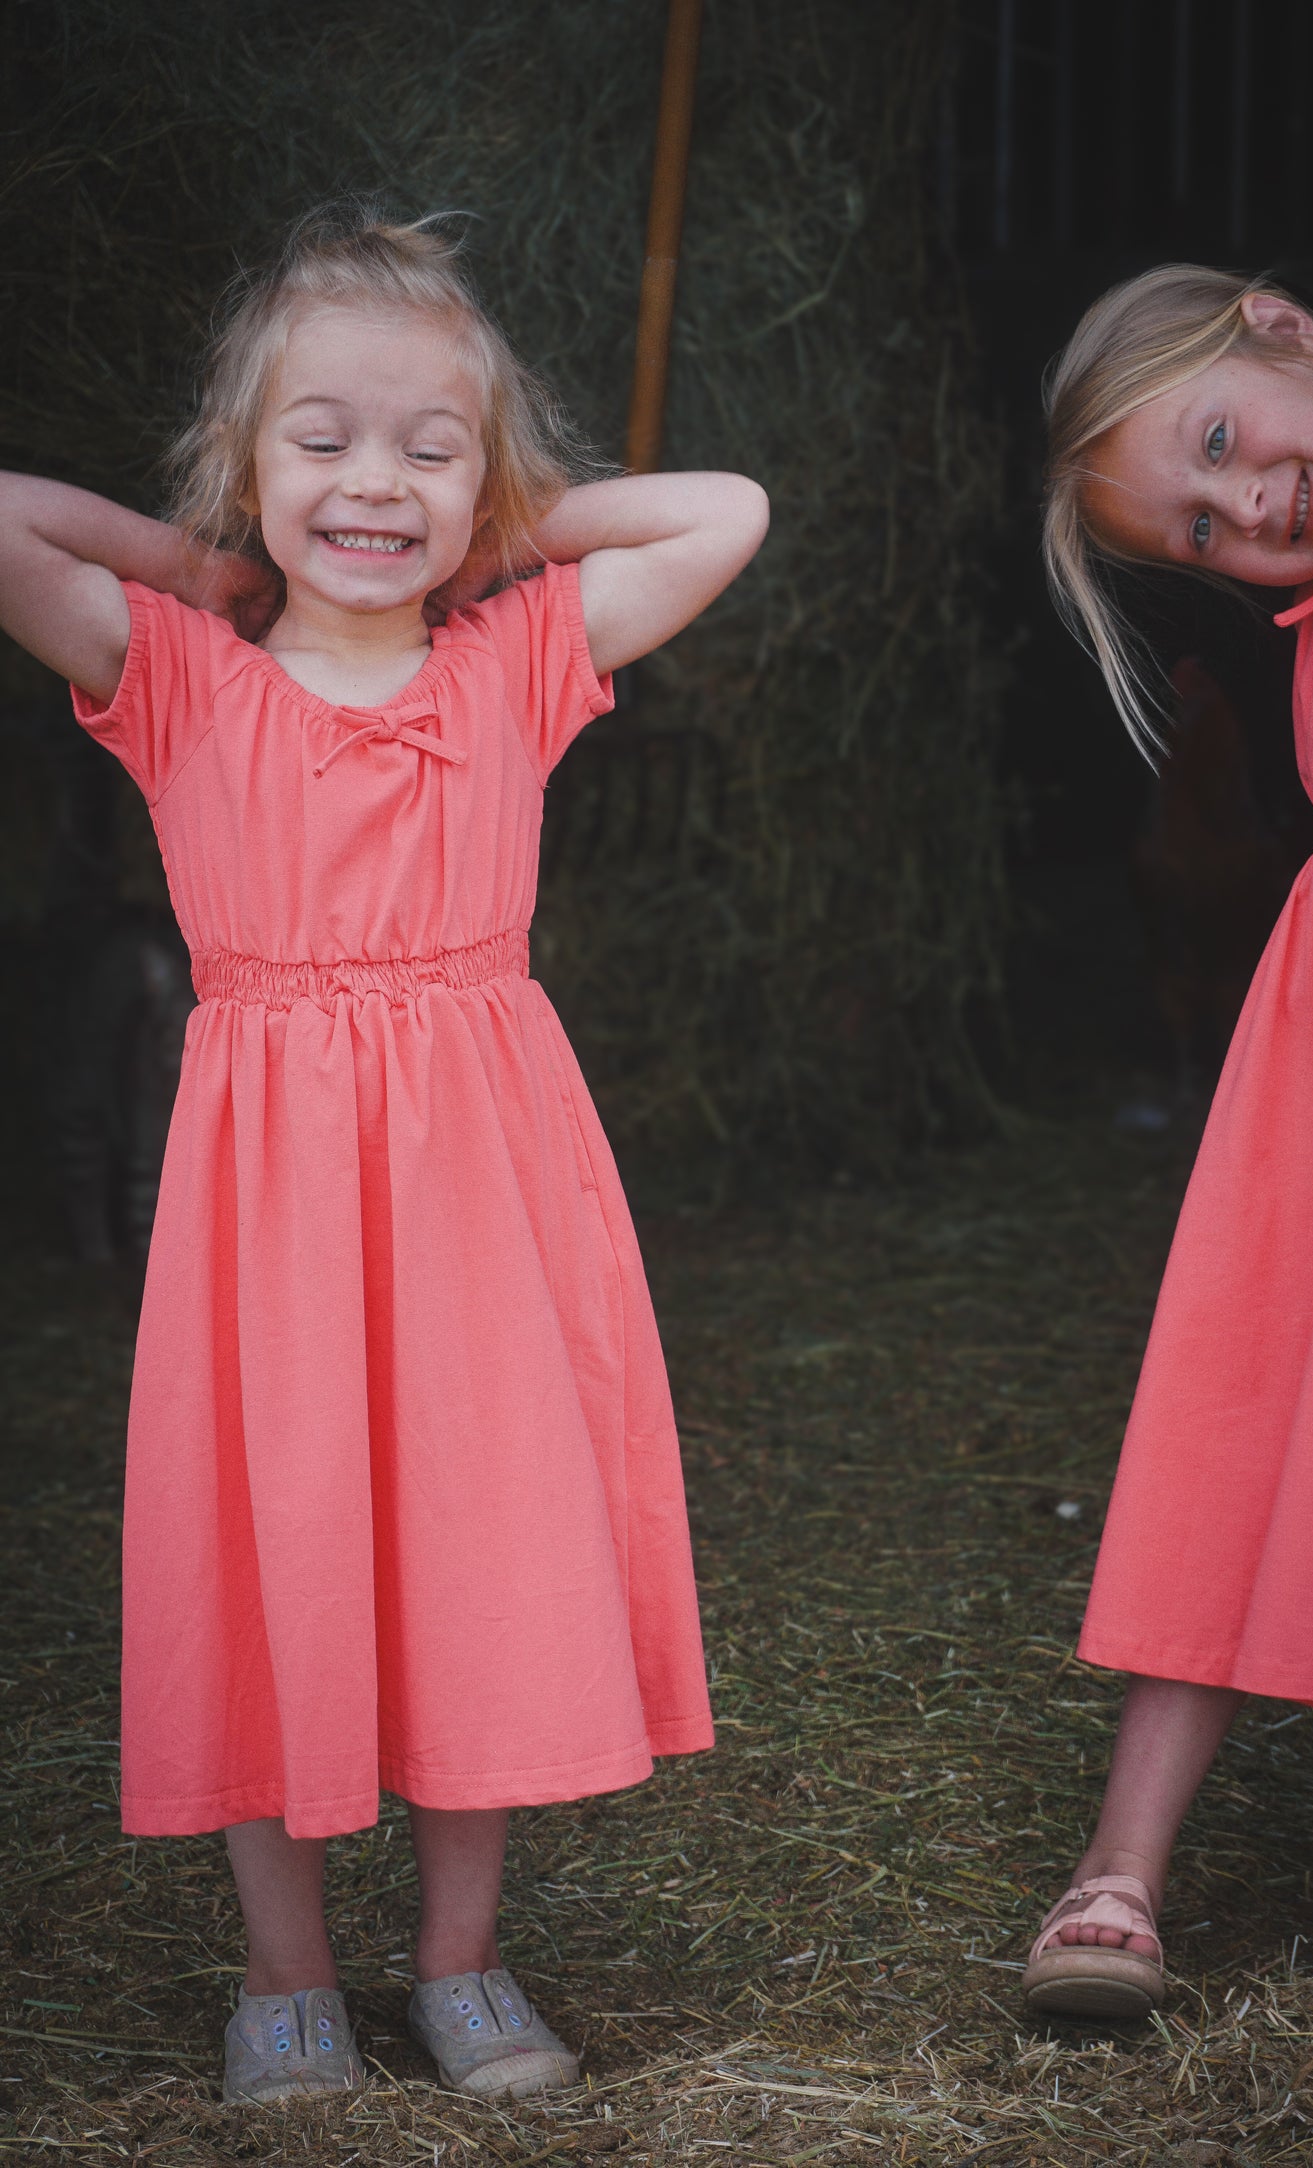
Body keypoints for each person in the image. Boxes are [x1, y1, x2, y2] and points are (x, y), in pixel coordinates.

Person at [0, 206, 768, 2100]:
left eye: (432, 448)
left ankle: (461, 1965)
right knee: (272, 1551)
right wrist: (205, 560)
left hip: (482, 1203)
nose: (375, 480)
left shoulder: (511, 660)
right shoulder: (176, 671)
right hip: (270, 1206)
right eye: (320, 440)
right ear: (245, 468)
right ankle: (285, 1977)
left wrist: (506, 531)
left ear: (487, 489)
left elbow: (722, 508)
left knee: (474, 1550)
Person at [1021, 263, 1313, 2020]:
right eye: (1200, 534)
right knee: (1241, 1405)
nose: (1245, 512)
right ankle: (1118, 1868)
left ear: (1275, 325)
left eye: (1219, 445)